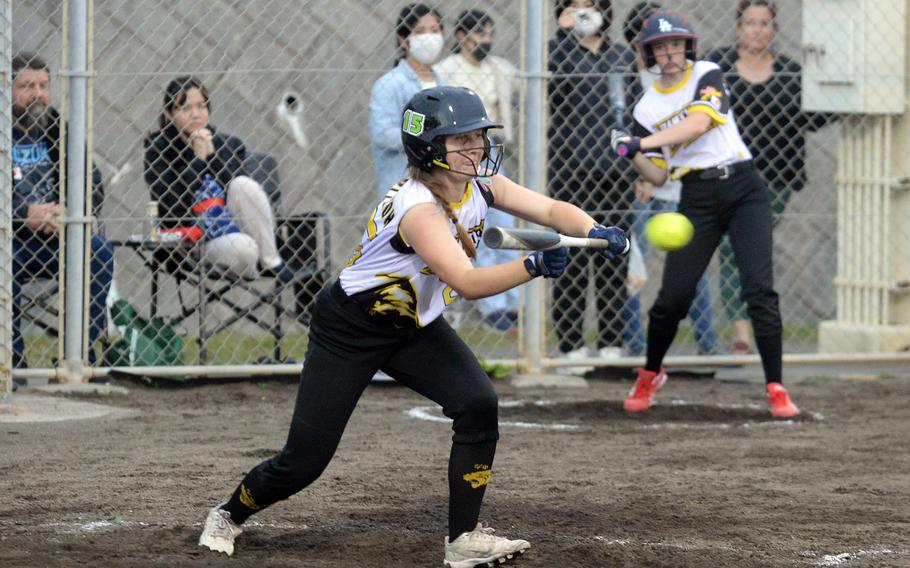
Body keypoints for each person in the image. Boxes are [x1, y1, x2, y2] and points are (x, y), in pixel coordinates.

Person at [198, 86, 630, 565]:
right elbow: (466, 281)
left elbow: (550, 210)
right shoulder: (417, 209)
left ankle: (463, 539)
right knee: (305, 460)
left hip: (412, 326)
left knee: (478, 404)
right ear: (428, 149)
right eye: (460, 140)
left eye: (478, 137)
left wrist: (592, 229)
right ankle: (228, 512)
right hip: (350, 329)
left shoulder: (480, 184)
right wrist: (532, 267)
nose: (476, 148)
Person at [609, 9, 800, 418]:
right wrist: (630, 153)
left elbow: (698, 124)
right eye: (661, 48)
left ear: (687, 47)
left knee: (758, 290)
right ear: (649, 54)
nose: (670, 53)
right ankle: (650, 374)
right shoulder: (644, 110)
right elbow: (658, 175)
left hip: (744, 189)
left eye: (676, 44)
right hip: (696, 197)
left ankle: (776, 386)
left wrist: (640, 144)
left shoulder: (707, 73)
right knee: (671, 300)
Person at [705, 0, 831, 355]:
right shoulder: (719, 66)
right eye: (750, 23)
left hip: (774, 179)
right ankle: (742, 329)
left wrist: (844, 91)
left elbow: (814, 118)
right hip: (726, 173)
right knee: (730, 249)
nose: (757, 30)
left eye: (764, 23)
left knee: (750, 248)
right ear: (738, 27)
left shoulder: (790, 72)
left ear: (774, 30)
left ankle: (756, 323)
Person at [621, 2, 720, 357]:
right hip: (648, 185)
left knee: (690, 269)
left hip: (686, 185)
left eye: (672, 42)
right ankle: (635, 344)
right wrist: (641, 169)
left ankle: (708, 344)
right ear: (641, 46)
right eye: (655, 43)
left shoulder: (695, 75)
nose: (666, 51)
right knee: (635, 268)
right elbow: (634, 134)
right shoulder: (636, 83)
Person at [548, 0, 637, 372]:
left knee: (614, 255)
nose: (583, 12)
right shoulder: (556, 51)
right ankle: (570, 346)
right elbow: (555, 98)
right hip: (572, 171)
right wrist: (566, 35)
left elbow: (634, 111)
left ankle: (613, 342)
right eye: (574, 5)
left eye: (590, 5)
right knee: (571, 255)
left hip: (616, 173)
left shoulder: (621, 55)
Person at [11, 52, 114, 368]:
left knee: (99, 252)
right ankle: (12, 363)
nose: (38, 94)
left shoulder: (57, 128)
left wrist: (67, 212)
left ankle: (80, 356)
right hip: (10, 239)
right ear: (8, 90)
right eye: (27, 86)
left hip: (56, 234)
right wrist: (24, 213)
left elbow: (91, 182)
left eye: (44, 85)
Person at [143, 76, 282, 280]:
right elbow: (174, 206)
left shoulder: (226, 145)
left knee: (243, 185)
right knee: (243, 248)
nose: (195, 114)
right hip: (193, 244)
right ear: (169, 114)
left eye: (201, 106)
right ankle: (255, 258)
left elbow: (239, 195)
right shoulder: (158, 153)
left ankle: (271, 262)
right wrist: (197, 160)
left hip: (236, 228)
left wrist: (213, 157)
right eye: (185, 108)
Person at [435, 9, 520, 332]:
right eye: (478, 34)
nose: (485, 41)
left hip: (492, 151)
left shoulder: (499, 69)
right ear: (461, 36)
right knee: (478, 228)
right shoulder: (447, 70)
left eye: (488, 34)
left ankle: (512, 303)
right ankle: (493, 308)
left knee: (507, 225)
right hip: (459, 158)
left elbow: (520, 85)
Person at [369, 3, 445, 201]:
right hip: (403, 189)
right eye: (419, 31)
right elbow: (383, 134)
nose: (429, 37)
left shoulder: (444, 85)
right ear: (404, 40)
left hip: (443, 188)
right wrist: (428, 138)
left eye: (434, 30)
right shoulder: (390, 84)